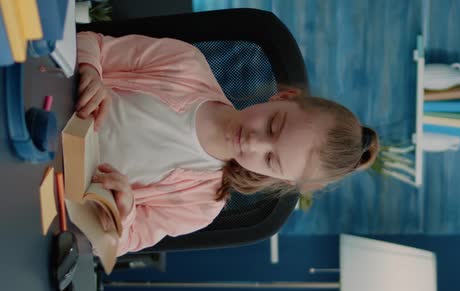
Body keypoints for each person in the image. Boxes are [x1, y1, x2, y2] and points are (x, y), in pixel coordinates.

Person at [76, 32, 379, 256]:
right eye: (273, 125)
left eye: (270, 160)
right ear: (282, 98)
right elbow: (90, 43)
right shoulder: (184, 66)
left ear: (280, 177)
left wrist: (123, 211)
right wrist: (91, 71)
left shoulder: (201, 205)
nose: (253, 143)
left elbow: (124, 240)